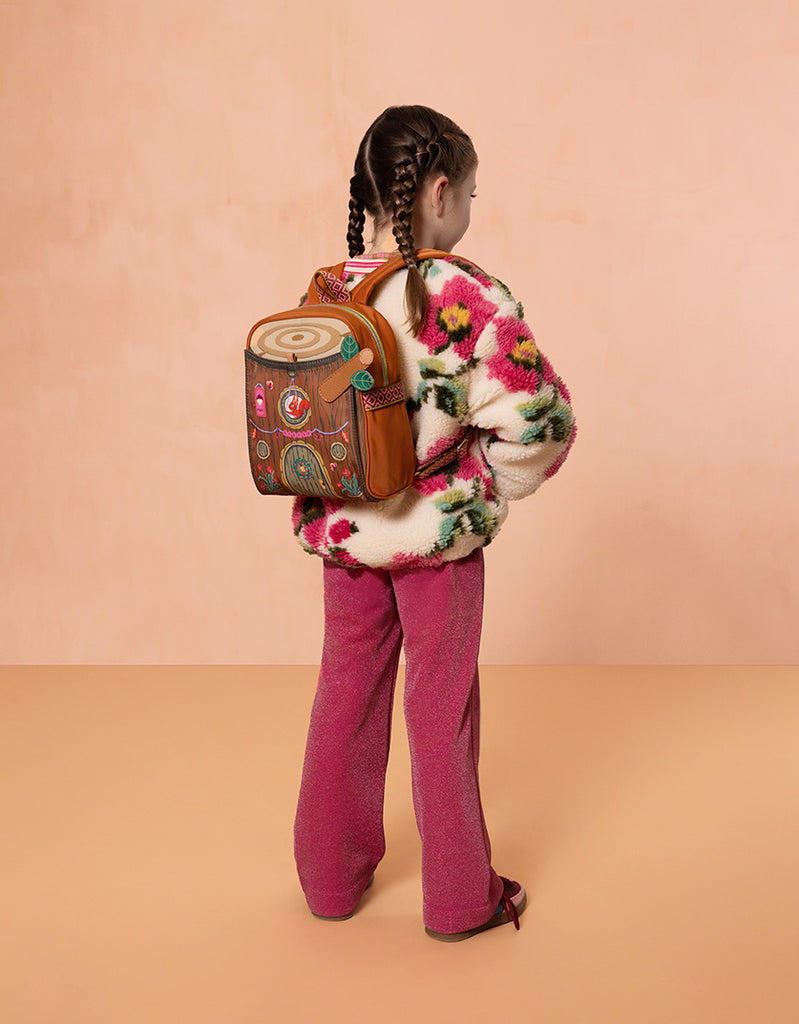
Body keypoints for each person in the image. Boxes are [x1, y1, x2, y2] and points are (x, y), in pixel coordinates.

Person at [292, 105, 575, 941]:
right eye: (471, 196)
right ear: (440, 191)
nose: (469, 211)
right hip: (434, 541)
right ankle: (458, 899)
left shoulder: (328, 290)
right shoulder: (462, 294)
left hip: (346, 535)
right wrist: (490, 483)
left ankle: (329, 882)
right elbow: (541, 418)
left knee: (344, 695)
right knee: (439, 706)